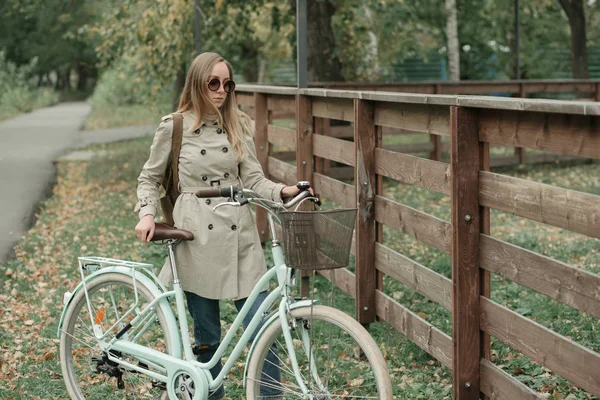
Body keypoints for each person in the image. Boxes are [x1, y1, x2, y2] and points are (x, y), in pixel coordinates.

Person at [134, 52, 303, 399]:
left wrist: (284, 191)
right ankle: (209, 394)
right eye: (213, 83)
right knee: (208, 333)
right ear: (198, 84)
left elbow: (253, 178)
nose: (221, 90)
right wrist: (147, 213)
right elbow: (149, 179)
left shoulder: (238, 123)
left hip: (238, 234)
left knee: (262, 323)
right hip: (196, 237)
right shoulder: (175, 126)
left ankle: (270, 395)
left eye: (227, 83)